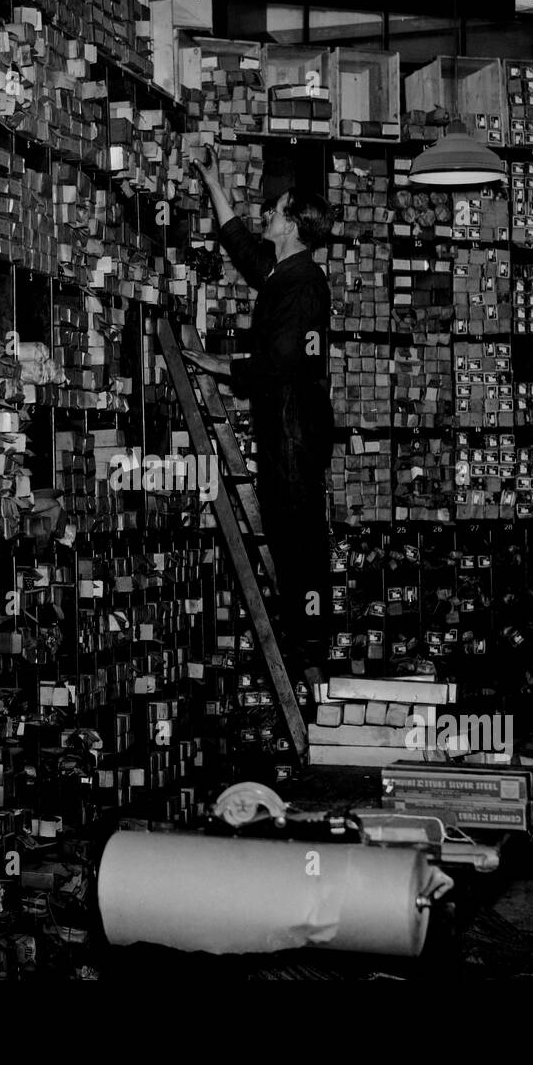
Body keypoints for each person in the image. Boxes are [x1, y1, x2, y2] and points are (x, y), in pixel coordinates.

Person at [187, 145, 335, 684]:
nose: (267, 212)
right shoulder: (285, 271)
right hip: (285, 434)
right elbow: (245, 251)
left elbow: (283, 361)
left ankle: (314, 656)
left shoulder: (303, 284)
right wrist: (213, 184)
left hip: (295, 436)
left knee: (301, 548)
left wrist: (221, 364)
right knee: (289, 541)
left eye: (277, 209)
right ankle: (308, 650)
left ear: (294, 225)